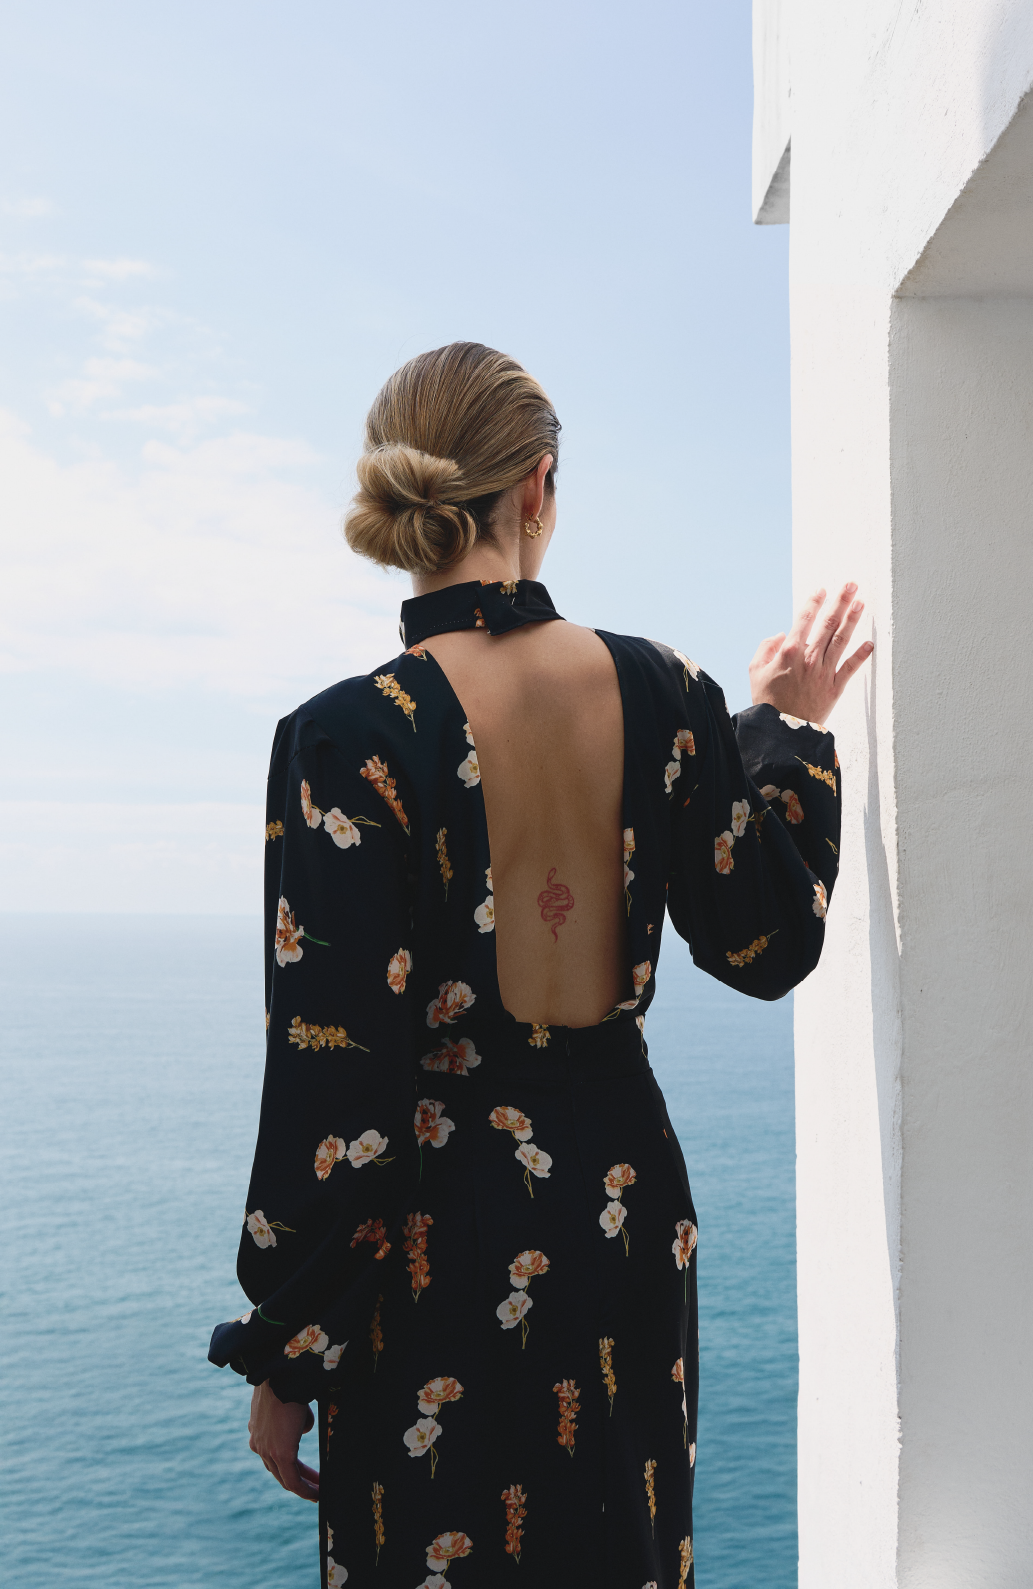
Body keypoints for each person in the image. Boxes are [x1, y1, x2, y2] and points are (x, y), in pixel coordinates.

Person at [208, 341, 872, 1588]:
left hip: (434, 1251)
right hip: (620, 1216)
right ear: (538, 489)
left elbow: (332, 1091)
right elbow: (768, 943)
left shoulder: (347, 737)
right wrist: (782, 731)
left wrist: (289, 1350)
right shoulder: (666, 689)